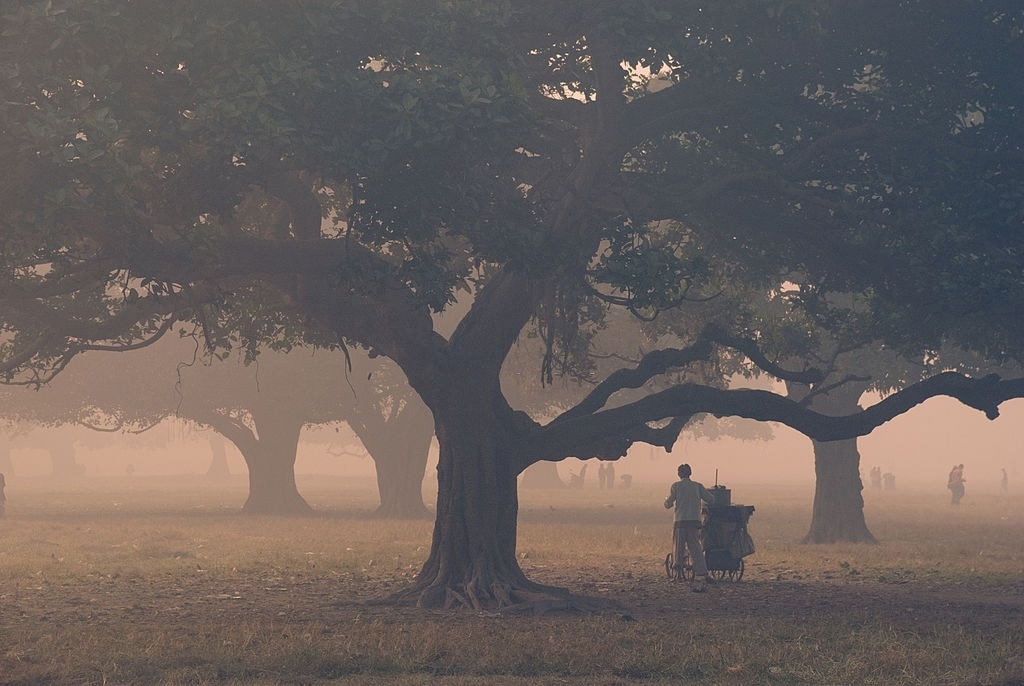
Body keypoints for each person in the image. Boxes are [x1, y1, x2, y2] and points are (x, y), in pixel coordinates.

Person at [664, 463, 715, 592]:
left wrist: (667, 500)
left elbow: (668, 504)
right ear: (690, 473)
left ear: (679, 474)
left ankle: (678, 574)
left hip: (680, 521)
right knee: (696, 548)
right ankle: (702, 573)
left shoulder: (676, 486)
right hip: (694, 521)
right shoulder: (697, 486)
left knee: (678, 547)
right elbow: (711, 499)